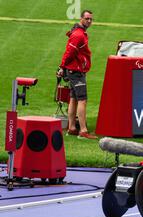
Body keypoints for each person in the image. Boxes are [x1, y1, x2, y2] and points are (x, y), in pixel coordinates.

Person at [57, 10, 97, 139]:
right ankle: (83, 131)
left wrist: (64, 68)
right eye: (87, 18)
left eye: (91, 19)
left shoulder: (79, 33)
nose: (89, 21)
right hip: (76, 72)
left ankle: (72, 128)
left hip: (74, 70)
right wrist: (62, 67)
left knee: (73, 99)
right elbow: (69, 53)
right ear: (81, 19)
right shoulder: (78, 35)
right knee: (82, 100)